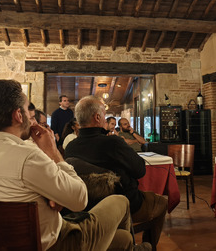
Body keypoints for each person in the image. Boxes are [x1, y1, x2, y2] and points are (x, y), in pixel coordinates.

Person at [0, 79, 145, 251]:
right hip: (57, 243)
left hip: (1, 245)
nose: (32, 118)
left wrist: (49, 198)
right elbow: (80, 200)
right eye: (28, 110)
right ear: (18, 115)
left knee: (124, 239)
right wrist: (52, 151)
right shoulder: (29, 156)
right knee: (120, 200)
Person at [65, 96, 167, 245]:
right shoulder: (113, 142)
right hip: (125, 204)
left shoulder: (70, 147)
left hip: (88, 207)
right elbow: (140, 171)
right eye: (104, 116)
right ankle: (148, 246)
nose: (106, 120)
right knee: (162, 202)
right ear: (97, 117)